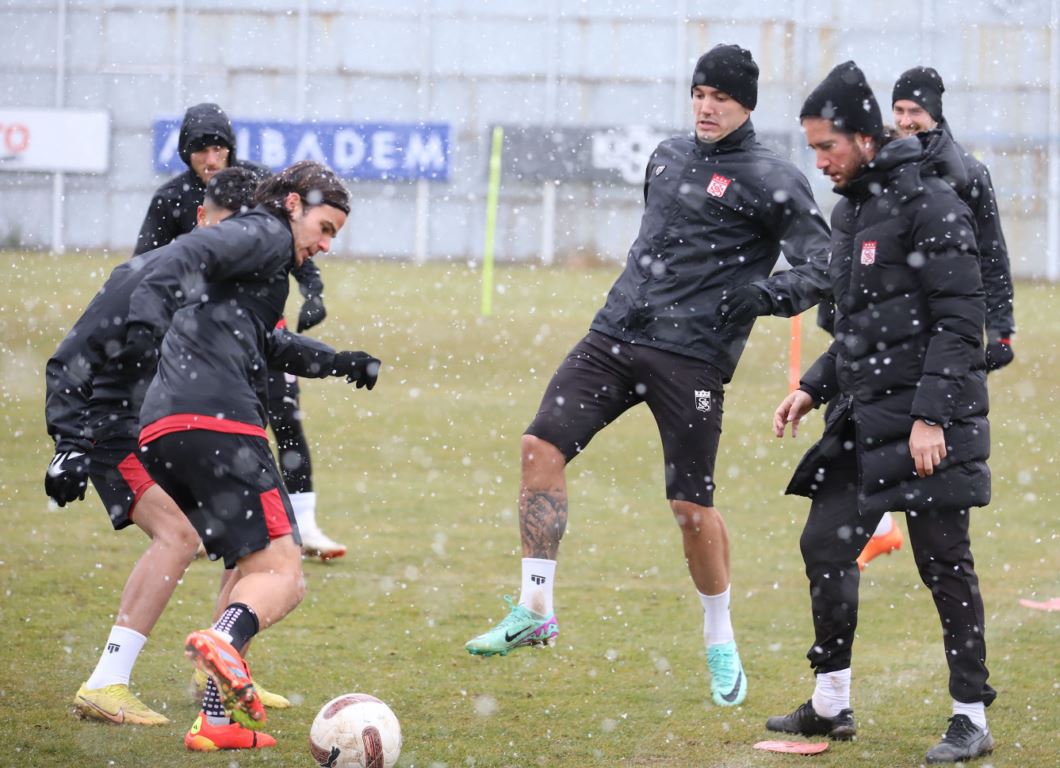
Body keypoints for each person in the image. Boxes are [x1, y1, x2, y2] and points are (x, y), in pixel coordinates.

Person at [464, 44, 832, 709]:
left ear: (745, 103)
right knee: (538, 448)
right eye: (698, 93)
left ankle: (719, 635)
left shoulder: (773, 178)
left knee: (691, 510)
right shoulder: (666, 156)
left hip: (691, 357)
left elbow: (824, 265)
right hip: (614, 334)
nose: (706, 106)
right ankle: (535, 607)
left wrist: (766, 295)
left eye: (720, 96)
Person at [768, 61, 995, 764]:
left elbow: (962, 324)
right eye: (811, 149)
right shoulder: (851, 213)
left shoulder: (933, 203)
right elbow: (860, 329)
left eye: (827, 146)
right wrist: (812, 385)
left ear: (865, 138)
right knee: (825, 545)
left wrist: (930, 417)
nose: (820, 161)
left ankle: (971, 719)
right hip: (863, 419)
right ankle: (831, 702)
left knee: (943, 564)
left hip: (927, 422)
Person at [122, 160, 380, 751]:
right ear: (292, 204)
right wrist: (144, 322)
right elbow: (180, 256)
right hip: (220, 424)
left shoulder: (259, 269)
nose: (325, 244)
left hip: (169, 426)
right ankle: (220, 642)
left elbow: (269, 342)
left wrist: (341, 360)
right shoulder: (262, 232)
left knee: (247, 565)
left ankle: (218, 719)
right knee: (282, 577)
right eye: (326, 227)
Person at [44, 167, 293, 729]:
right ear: (204, 221)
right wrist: (67, 442)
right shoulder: (146, 274)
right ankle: (106, 682)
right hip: (117, 432)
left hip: (171, 431)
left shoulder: (223, 286)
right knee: (178, 536)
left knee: (245, 537)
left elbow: (263, 345)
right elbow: (68, 357)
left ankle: (218, 672)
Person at [136, 102, 345, 559]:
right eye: (199, 151)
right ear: (183, 154)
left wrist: (312, 291)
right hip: (199, 333)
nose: (211, 159)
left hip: (262, 325)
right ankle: (193, 524)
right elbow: (146, 260)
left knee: (284, 413)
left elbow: (299, 236)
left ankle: (304, 523)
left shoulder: (260, 185)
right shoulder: (170, 199)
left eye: (218, 147)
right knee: (203, 420)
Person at [856, 65, 1017, 570]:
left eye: (915, 112)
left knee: (932, 447)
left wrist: (1002, 327)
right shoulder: (879, 166)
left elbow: (990, 257)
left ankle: (920, 537)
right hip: (889, 328)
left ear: (935, 114)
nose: (905, 121)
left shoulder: (966, 174)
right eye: (899, 111)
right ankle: (878, 527)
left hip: (943, 327)